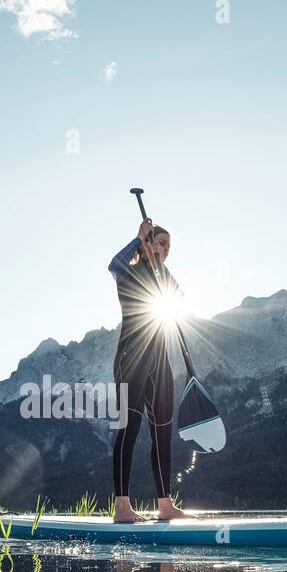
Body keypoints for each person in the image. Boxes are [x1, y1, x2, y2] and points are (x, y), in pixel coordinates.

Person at [108, 218, 189, 522]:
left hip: (160, 359)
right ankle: (122, 507)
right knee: (128, 428)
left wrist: (158, 264)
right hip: (132, 356)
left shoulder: (163, 277)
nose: (165, 249)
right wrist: (137, 240)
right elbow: (114, 264)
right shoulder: (130, 271)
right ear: (146, 245)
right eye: (160, 242)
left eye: (169, 245)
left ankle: (165, 504)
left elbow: (178, 299)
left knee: (162, 431)